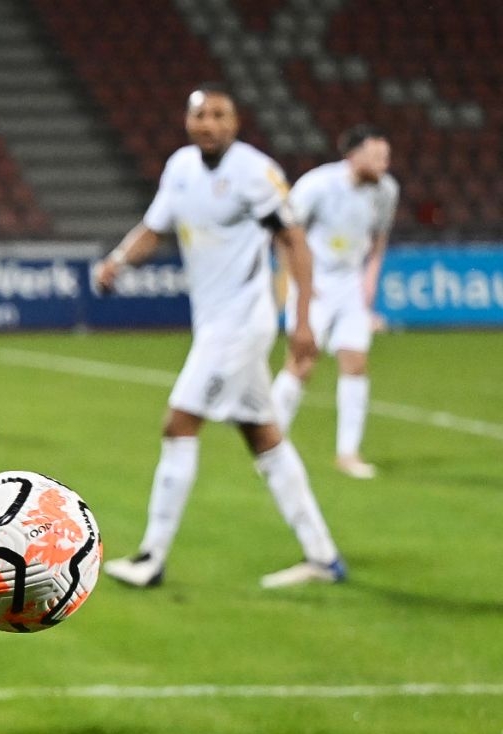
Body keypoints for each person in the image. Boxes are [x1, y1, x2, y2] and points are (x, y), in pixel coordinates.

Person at [96, 85, 344, 590]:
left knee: (179, 423)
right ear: (187, 122)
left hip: (241, 323)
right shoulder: (180, 168)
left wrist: (302, 320)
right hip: (212, 321)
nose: (208, 123)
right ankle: (322, 556)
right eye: (200, 115)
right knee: (263, 436)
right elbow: (154, 227)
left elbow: (294, 241)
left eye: (218, 115)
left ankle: (151, 557)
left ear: (235, 123)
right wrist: (117, 260)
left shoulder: (255, 172)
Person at [269, 126, 399, 480]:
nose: (384, 164)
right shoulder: (317, 185)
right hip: (314, 280)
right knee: (302, 362)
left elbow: (379, 238)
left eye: (386, 157)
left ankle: (348, 453)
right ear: (353, 156)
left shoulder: (387, 190)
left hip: (350, 283)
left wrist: (370, 279)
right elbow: (284, 233)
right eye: (377, 156)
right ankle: (269, 446)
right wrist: (296, 280)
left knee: (355, 363)